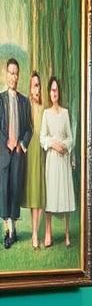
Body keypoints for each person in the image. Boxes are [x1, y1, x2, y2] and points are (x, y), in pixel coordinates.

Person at [0, 57, 32, 250]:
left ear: (18, 76)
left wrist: (22, 143)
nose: (13, 76)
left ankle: (13, 230)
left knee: (14, 190)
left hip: (18, 154)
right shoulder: (0, 99)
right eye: (10, 72)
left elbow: (29, 128)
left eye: (16, 73)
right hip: (4, 153)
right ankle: (8, 231)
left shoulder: (24, 101)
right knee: (3, 191)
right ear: (6, 74)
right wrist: (6, 141)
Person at [41, 76, 75, 249]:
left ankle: (67, 233)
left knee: (64, 194)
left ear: (59, 93)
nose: (54, 92)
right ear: (49, 92)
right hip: (52, 160)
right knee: (51, 195)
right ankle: (48, 233)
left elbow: (71, 138)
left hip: (63, 159)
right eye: (52, 90)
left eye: (56, 90)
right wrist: (53, 144)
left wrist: (64, 146)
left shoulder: (65, 113)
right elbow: (42, 137)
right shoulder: (46, 114)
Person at [25, 71, 46, 249]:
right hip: (31, 150)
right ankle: (33, 234)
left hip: (42, 150)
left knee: (40, 192)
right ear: (30, 87)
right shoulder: (27, 105)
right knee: (33, 190)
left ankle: (38, 231)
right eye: (33, 85)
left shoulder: (44, 107)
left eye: (38, 85)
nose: (36, 88)